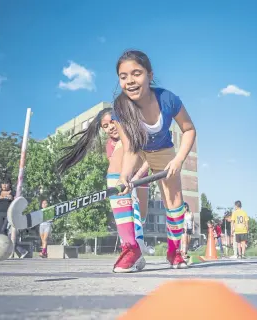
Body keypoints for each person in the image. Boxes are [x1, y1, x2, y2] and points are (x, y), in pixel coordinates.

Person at [110, 49, 197, 272]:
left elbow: (188, 129)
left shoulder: (167, 99)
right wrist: (124, 176)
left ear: (150, 75)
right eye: (123, 76)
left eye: (136, 73)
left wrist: (178, 160)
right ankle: (131, 248)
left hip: (162, 148)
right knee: (115, 181)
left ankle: (174, 250)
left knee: (174, 200)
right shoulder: (120, 109)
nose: (130, 81)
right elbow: (130, 148)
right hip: (136, 147)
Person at [56, 107, 150, 254]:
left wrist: (137, 178)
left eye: (112, 122)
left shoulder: (135, 131)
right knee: (127, 204)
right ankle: (130, 245)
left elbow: (150, 159)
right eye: (105, 126)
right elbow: (114, 167)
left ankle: (138, 240)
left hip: (142, 175)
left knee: (142, 215)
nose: (111, 127)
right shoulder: (110, 144)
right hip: (123, 177)